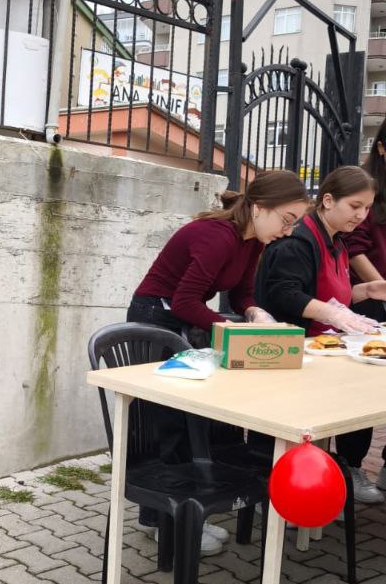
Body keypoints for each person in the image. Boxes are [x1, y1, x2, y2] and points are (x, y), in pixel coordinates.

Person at [128, 169, 311, 553]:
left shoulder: (251, 242)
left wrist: (255, 313)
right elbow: (183, 301)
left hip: (179, 319)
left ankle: (182, 513)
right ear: (260, 208)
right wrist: (236, 331)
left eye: (294, 223)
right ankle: (164, 522)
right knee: (168, 419)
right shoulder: (218, 238)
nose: (288, 231)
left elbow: (242, 292)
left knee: (193, 418)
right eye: (286, 220)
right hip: (154, 318)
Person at [255, 165, 386, 503]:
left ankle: (343, 471)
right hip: (289, 351)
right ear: (328, 200)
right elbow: (285, 293)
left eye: (368, 208)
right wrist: (333, 313)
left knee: (361, 390)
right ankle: (288, 486)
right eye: (355, 206)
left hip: (322, 350)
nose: (361, 215)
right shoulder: (298, 240)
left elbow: (332, 293)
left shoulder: (337, 241)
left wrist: (367, 291)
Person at [342, 122, 386, 495]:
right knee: (361, 391)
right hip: (371, 303)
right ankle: (352, 468)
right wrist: (382, 290)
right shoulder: (365, 189)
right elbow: (354, 249)